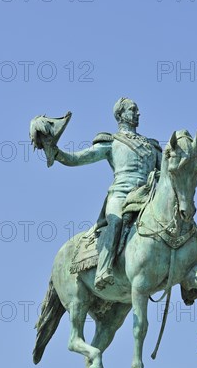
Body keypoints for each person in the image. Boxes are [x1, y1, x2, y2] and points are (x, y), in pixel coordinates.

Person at [43, 98, 162, 290]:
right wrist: (56, 153)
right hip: (121, 194)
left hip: (148, 195)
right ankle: (103, 270)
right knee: (115, 222)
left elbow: (167, 173)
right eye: (133, 110)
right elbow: (79, 158)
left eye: (137, 110)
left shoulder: (152, 146)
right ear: (120, 115)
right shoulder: (112, 142)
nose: (138, 113)